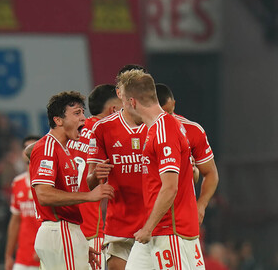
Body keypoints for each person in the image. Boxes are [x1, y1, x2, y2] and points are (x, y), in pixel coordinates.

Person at [119, 70, 206, 270]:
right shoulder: (159, 128)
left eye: (123, 103)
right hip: (156, 231)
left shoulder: (164, 130)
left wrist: (148, 227)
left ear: (132, 102)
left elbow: (170, 187)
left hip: (171, 230)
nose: (122, 110)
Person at [30, 91, 115, 270]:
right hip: (59, 230)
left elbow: (69, 193)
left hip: (68, 232)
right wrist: (89, 196)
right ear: (58, 120)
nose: (83, 119)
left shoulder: (64, 150)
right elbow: (43, 194)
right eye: (77, 113)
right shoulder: (47, 147)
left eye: (83, 112)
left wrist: (80, 244)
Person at [86, 83, 148, 270]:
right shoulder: (101, 129)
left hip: (153, 225)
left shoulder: (158, 127)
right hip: (115, 227)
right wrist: (96, 175)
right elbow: (91, 182)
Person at [67, 84, 123, 270]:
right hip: (90, 229)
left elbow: (31, 152)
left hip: (63, 226)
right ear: (113, 110)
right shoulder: (109, 134)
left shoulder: (70, 130)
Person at [156, 83, 219, 225]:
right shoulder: (140, 132)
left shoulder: (192, 130)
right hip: (142, 219)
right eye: (161, 115)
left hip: (181, 220)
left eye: (169, 113)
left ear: (174, 104)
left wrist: (201, 205)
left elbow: (210, 173)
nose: (167, 120)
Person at [5, 135, 42, 270]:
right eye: (26, 147)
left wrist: (44, 247)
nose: (29, 151)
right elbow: (15, 221)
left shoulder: (49, 182)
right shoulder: (17, 183)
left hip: (45, 257)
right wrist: (8, 255)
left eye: (33, 147)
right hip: (22, 259)